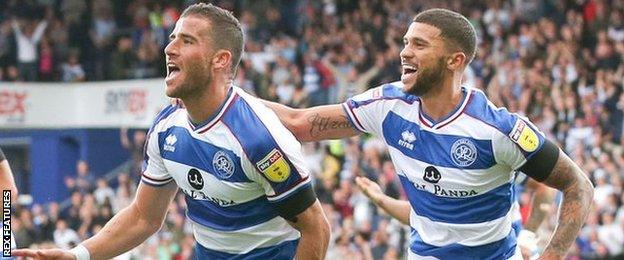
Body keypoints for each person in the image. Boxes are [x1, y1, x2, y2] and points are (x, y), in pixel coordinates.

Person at [264, 8, 594, 259]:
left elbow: (577, 185)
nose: (404, 52)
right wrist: (230, 97)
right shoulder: (387, 105)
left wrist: (547, 251)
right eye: (406, 43)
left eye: (419, 45)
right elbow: (300, 123)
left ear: (455, 60)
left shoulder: (499, 130)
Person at [13, 3, 329, 260]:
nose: (169, 48)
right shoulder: (167, 128)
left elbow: (317, 230)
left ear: (220, 60)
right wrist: (78, 255)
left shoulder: (258, 137)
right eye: (173, 37)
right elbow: (143, 217)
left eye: (186, 41)